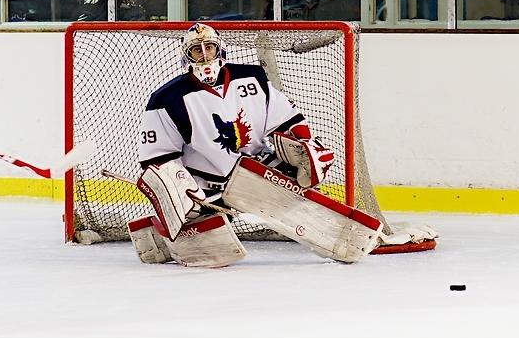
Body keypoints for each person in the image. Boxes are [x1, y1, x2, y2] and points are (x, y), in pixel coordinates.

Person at [125, 23, 374, 268]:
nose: (204, 54)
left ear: (220, 49)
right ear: (186, 56)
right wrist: (180, 189)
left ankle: (336, 229)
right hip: (207, 182)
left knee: (299, 187)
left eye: (209, 47)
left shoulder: (251, 77)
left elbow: (287, 120)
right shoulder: (166, 98)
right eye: (197, 50)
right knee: (208, 233)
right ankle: (161, 234)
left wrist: (303, 143)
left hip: (256, 167)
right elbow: (156, 157)